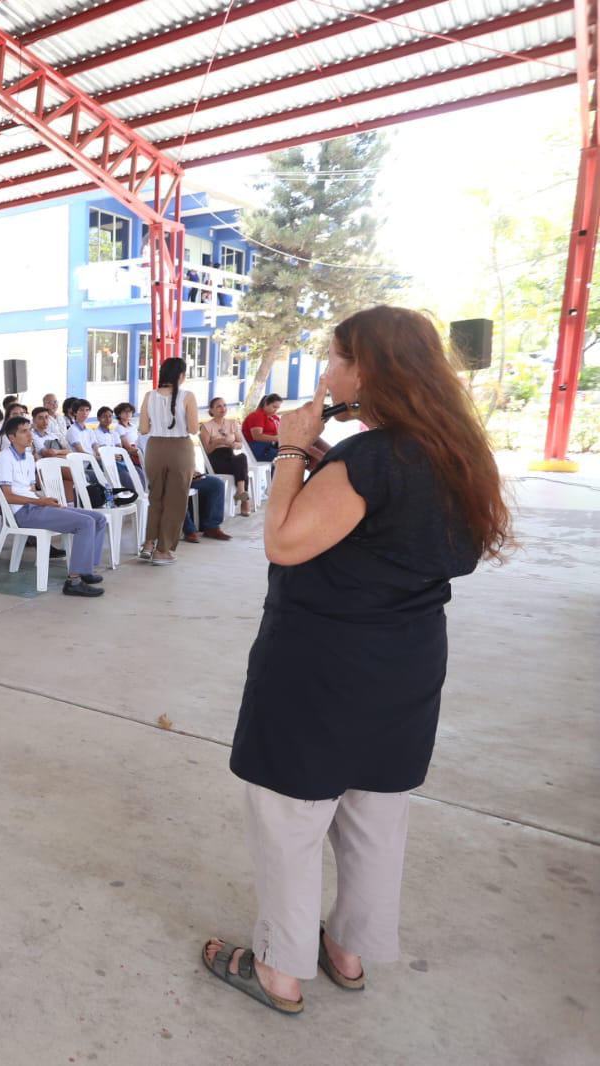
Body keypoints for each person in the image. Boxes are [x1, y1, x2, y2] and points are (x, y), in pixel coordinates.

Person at [202, 306, 514, 1017]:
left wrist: (288, 453)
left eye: (333, 357)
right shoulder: (451, 449)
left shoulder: (374, 457)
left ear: (365, 368)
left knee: (290, 813)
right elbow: (378, 536)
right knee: (375, 811)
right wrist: (317, 467)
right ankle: (347, 950)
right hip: (404, 660)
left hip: (324, 663)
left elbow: (284, 542)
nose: (324, 370)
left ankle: (279, 970)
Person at [0, 416, 107, 598]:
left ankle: (85, 569)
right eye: (24, 431)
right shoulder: (4, 458)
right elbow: (6, 495)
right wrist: (40, 502)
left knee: (98, 519)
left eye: (29, 430)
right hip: (22, 513)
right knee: (85, 523)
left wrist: (44, 499)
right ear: (11, 437)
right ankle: (73, 582)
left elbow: (29, 490)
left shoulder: (28, 457)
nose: (29, 434)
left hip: (34, 505)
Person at [137, 357, 198, 566]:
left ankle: (148, 543)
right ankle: (162, 550)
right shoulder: (188, 396)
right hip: (180, 448)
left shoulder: (149, 396)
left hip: (154, 448)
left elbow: (143, 429)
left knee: (156, 498)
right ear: (181, 375)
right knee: (175, 501)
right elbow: (193, 429)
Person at [200, 397, 253, 514]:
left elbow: (240, 443)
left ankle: (240, 492)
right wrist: (218, 442)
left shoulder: (232, 423)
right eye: (218, 406)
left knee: (241, 458)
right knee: (241, 466)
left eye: (224, 405)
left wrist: (234, 444)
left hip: (230, 455)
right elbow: (207, 450)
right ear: (211, 410)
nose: (223, 408)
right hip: (215, 458)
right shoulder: (206, 426)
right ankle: (244, 501)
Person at [243, 394, 283, 462]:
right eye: (274, 407)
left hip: (272, 446)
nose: (276, 410)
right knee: (288, 456)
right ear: (266, 404)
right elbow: (257, 436)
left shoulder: (274, 417)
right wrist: (278, 438)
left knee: (296, 453)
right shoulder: (257, 416)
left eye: (278, 408)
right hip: (259, 449)